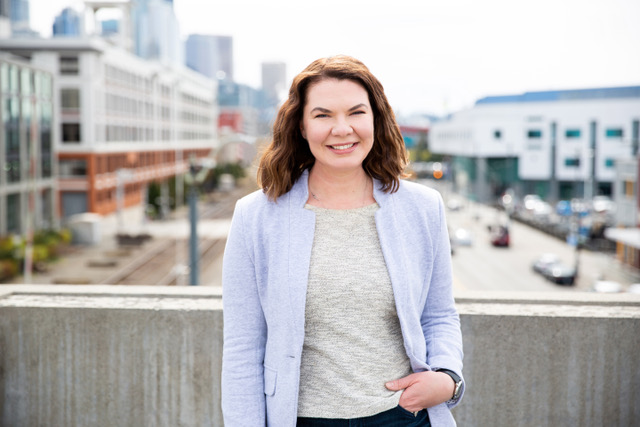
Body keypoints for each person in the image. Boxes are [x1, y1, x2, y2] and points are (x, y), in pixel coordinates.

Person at [221, 55, 464, 426]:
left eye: (356, 113)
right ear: (301, 126)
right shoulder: (256, 217)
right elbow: (242, 347)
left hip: (401, 416)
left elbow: (439, 313)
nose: (342, 129)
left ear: (375, 119)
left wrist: (448, 379)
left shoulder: (423, 207)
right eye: (322, 115)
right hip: (299, 418)